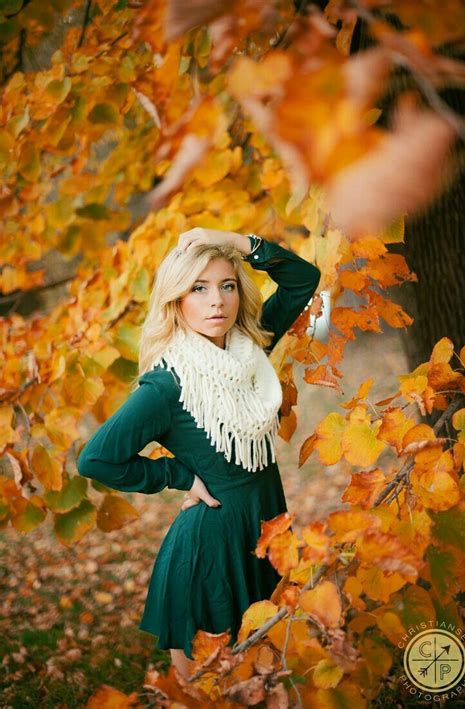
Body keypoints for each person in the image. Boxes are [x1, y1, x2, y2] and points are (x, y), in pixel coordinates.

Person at [77, 227, 321, 679]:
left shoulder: (252, 347)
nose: (217, 302)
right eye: (199, 288)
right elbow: (96, 459)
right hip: (211, 550)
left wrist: (229, 239)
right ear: (176, 300)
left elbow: (303, 278)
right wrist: (179, 477)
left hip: (268, 529)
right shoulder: (167, 385)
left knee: (266, 682)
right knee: (206, 692)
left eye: (227, 286)